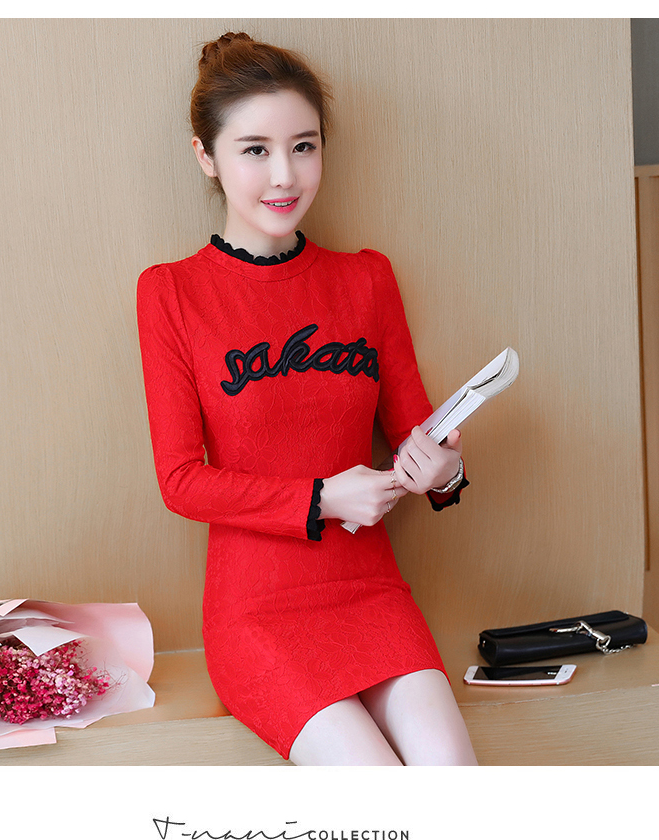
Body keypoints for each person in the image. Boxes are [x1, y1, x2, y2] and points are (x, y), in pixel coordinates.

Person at [137, 31, 477, 766]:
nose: (284, 174)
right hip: (255, 611)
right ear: (206, 156)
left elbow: (420, 436)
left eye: (304, 146)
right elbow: (180, 480)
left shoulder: (366, 280)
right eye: (254, 150)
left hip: (370, 591)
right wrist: (320, 499)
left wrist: (443, 471)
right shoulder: (172, 293)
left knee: (454, 778)